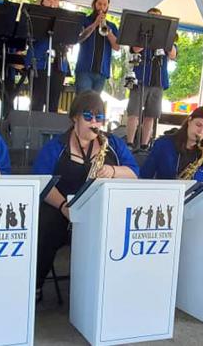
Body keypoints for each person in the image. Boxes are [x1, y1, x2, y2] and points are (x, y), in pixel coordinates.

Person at [32, 92, 138, 300]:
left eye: (100, 118)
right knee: (46, 224)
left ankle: (109, 287)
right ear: (75, 117)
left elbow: (135, 172)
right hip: (62, 212)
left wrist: (113, 171)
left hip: (100, 213)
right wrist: (64, 206)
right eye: (89, 116)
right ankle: (36, 283)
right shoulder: (56, 146)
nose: (95, 123)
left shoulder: (112, 144)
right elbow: (41, 181)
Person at [125, 7, 177, 150]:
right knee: (133, 113)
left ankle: (144, 145)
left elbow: (172, 54)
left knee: (151, 115)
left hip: (158, 80)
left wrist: (165, 38)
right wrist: (147, 35)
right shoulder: (140, 35)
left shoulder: (166, 37)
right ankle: (129, 143)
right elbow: (135, 49)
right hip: (140, 78)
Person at [140, 106, 203, 182]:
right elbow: (145, 175)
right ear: (189, 121)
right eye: (198, 125)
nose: (200, 132)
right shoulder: (163, 144)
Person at [28, 0, 70, 112]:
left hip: (58, 64)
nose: (52, 2)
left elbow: (71, 38)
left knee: (54, 103)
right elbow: (28, 38)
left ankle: (50, 131)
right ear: (42, 2)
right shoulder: (34, 17)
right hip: (40, 63)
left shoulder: (65, 18)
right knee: (37, 102)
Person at [75, 0, 119, 93]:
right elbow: (79, 39)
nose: (102, 7)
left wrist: (108, 32)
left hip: (102, 71)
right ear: (94, 4)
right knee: (83, 101)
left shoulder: (111, 26)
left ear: (108, 6)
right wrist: (95, 24)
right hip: (84, 69)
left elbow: (117, 47)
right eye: (99, 4)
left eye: (105, 5)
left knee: (94, 104)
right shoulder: (85, 21)